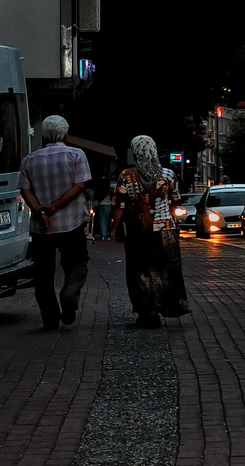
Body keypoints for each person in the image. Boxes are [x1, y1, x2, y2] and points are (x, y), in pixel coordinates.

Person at [18, 115, 93, 331]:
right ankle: (69, 294)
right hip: (72, 222)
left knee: (43, 273)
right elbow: (79, 186)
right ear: (65, 133)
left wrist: (41, 211)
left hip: (43, 227)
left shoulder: (30, 159)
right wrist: (56, 206)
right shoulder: (76, 154)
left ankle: (50, 318)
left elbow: (25, 190)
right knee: (76, 264)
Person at [111, 135, 191, 328]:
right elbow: (176, 201)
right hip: (165, 232)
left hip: (138, 232)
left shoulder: (126, 176)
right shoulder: (168, 175)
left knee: (139, 271)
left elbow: (119, 205)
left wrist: (114, 228)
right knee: (166, 271)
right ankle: (167, 305)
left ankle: (148, 310)